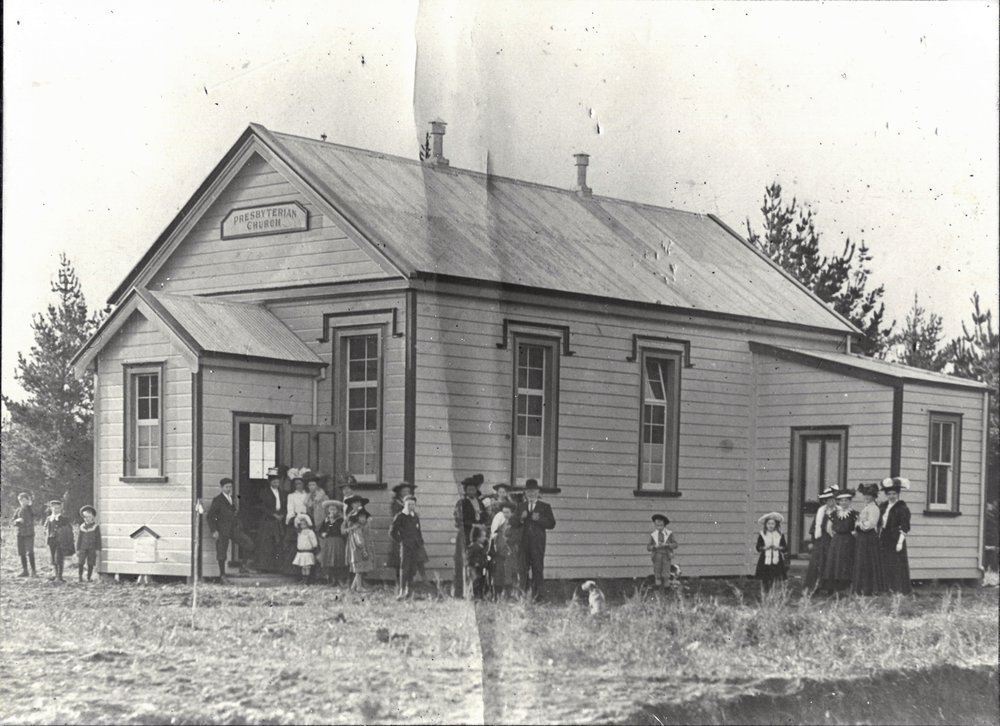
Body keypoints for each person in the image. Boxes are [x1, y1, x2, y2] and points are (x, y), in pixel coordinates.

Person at [511, 478, 556, 600]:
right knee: (523, 570)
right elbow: (512, 522)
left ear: (538, 492)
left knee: (537, 569)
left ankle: (538, 597)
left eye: (533, 491)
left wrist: (539, 519)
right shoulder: (520, 506)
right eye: (528, 491)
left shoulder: (545, 506)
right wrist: (521, 518)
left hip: (537, 544)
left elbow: (552, 523)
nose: (531, 494)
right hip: (523, 544)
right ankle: (523, 597)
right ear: (525, 493)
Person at [206, 477, 254, 582]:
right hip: (222, 530)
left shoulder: (232, 498)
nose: (229, 489)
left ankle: (243, 567)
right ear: (221, 487)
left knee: (248, 543)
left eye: (230, 487)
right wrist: (214, 530)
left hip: (233, 529)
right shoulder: (218, 500)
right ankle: (222, 576)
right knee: (222, 553)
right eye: (226, 487)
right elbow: (210, 516)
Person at [389, 495, 429, 600]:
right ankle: (401, 591)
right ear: (404, 504)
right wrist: (401, 541)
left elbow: (418, 531)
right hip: (406, 547)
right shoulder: (400, 516)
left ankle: (409, 591)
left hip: (415, 546)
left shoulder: (415, 516)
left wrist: (420, 542)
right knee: (404, 568)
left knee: (412, 569)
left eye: (413, 504)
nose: (411, 506)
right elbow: (392, 532)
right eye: (409, 504)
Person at [453, 474, 486, 597]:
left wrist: (482, 525)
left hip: (478, 536)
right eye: (469, 489)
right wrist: (473, 525)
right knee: (465, 562)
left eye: (473, 489)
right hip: (465, 535)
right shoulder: (462, 503)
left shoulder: (480, 503)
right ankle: (463, 591)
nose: (471, 491)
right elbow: (459, 520)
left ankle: (476, 591)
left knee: (477, 563)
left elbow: (484, 517)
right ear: (465, 491)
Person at [879, 476, 913, 594]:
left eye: (894, 493)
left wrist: (900, 542)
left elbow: (905, 526)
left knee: (896, 564)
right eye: (889, 494)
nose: (891, 496)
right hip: (884, 538)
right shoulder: (883, 506)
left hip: (896, 538)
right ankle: (886, 588)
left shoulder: (902, 508)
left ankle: (898, 589)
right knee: (885, 563)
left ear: (897, 494)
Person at [803, 487, 838, 594]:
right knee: (817, 563)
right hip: (820, 540)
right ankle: (815, 587)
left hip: (832, 540)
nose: (831, 502)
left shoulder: (839, 511)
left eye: (833, 500)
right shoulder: (821, 511)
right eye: (828, 500)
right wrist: (812, 541)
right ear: (825, 501)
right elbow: (815, 527)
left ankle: (830, 588)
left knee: (830, 563)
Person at [822, 489, 858, 594]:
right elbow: (829, 528)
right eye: (841, 501)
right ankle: (833, 588)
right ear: (838, 502)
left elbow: (856, 528)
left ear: (850, 501)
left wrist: (851, 535)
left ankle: (846, 587)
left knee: (846, 562)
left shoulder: (854, 514)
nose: (843, 503)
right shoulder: (834, 514)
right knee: (835, 562)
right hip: (837, 541)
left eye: (846, 500)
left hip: (848, 541)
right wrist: (835, 535)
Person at [852, 482, 885, 596]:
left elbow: (870, 524)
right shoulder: (866, 507)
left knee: (867, 562)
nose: (866, 497)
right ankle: (861, 589)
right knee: (862, 561)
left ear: (874, 496)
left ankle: (868, 589)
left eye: (869, 495)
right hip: (863, 538)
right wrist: (859, 523)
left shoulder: (874, 508)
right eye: (865, 495)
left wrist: (859, 524)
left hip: (869, 537)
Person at [255, 470, 287, 572]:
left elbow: (285, 506)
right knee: (266, 543)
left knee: (277, 543)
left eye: (277, 481)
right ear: (270, 482)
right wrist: (273, 514)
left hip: (279, 521)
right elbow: (261, 506)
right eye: (274, 481)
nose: (276, 483)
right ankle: (264, 567)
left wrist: (282, 514)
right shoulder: (264, 492)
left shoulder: (282, 492)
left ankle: (276, 568)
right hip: (267, 520)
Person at [491, 501, 520, 598]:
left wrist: (509, 543)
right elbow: (497, 536)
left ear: (512, 513)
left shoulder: (515, 524)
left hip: (511, 551)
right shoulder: (501, 524)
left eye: (507, 512)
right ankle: (499, 594)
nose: (505, 514)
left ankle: (510, 593)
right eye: (504, 512)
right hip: (501, 551)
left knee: (510, 572)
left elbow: (516, 538)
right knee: (500, 572)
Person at [754, 512, 788, 592]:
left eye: (772, 523)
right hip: (765, 558)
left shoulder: (780, 534)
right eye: (769, 523)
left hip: (777, 559)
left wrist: (778, 547)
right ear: (766, 525)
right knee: (766, 577)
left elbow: (785, 547)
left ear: (776, 525)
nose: (770, 525)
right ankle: (765, 591)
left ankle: (775, 592)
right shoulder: (762, 534)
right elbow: (758, 547)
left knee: (776, 576)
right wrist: (765, 547)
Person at [43, 500, 74, 583]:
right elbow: (45, 528)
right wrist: (46, 536)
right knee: (53, 558)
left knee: (59, 558)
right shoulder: (49, 518)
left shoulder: (64, 519)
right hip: (51, 540)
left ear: (61, 508)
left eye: (58, 508)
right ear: (51, 508)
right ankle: (56, 574)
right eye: (54, 508)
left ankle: (60, 576)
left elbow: (68, 530)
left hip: (60, 541)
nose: (56, 510)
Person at [344, 507, 374, 592]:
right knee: (359, 570)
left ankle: (353, 587)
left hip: (361, 549)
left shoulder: (363, 527)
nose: (363, 519)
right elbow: (359, 540)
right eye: (361, 517)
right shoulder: (357, 528)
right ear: (357, 518)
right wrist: (363, 550)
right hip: (358, 550)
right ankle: (359, 587)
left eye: (364, 517)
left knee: (360, 568)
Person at [317, 499, 346, 585]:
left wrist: (332, 522)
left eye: (334, 509)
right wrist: (323, 534)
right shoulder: (327, 521)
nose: (332, 511)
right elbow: (321, 531)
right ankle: (331, 579)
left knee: (338, 560)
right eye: (330, 509)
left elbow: (337, 530)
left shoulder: (340, 521)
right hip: (328, 542)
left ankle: (339, 579)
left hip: (337, 541)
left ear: (338, 511)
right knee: (329, 560)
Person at [648, 513, 679, 591]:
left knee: (666, 573)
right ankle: (658, 588)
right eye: (657, 526)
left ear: (664, 525)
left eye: (661, 526)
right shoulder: (653, 535)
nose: (659, 528)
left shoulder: (669, 534)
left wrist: (667, 545)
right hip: (657, 555)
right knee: (657, 571)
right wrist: (654, 547)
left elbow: (675, 545)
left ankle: (667, 588)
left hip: (666, 555)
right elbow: (648, 547)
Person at [12, 492, 38, 577]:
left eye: (24, 500)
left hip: (29, 533)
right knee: (22, 552)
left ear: (28, 500)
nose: (22, 502)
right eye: (20, 500)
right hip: (20, 534)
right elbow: (13, 521)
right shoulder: (18, 510)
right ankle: (25, 571)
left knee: (30, 552)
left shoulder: (31, 509)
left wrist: (30, 505)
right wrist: (16, 521)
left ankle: (33, 571)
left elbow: (35, 515)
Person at [76, 505, 102, 582]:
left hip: (92, 547)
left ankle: (88, 577)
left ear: (92, 517)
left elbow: (98, 539)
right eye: (85, 517)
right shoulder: (82, 527)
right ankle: (80, 576)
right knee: (81, 562)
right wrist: (78, 549)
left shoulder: (96, 527)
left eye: (88, 517)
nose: (86, 519)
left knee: (90, 562)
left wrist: (98, 549)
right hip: (83, 547)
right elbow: (79, 539)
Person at [292, 514, 318, 583]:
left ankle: (307, 579)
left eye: (304, 524)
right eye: (301, 524)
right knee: (303, 567)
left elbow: (314, 542)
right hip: (301, 552)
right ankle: (303, 579)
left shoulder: (310, 532)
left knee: (307, 566)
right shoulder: (300, 532)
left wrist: (313, 546)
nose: (303, 525)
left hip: (307, 552)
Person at [466, 526, 490, 600]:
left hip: (481, 568)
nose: (484, 538)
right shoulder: (474, 546)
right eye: (483, 536)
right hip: (475, 568)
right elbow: (469, 557)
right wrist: (475, 563)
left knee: (482, 581)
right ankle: (475, 596)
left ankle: (480, 595)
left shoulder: (481, 546)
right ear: (477, 537)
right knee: (476, 582)